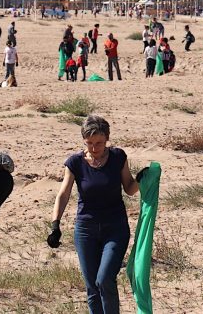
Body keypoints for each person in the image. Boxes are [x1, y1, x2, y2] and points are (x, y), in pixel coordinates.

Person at [48, 115, 145, 314]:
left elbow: (129, 188)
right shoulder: (75, 162)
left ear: (107, 139)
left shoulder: (118, 157)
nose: (94, 147)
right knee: (92, 286)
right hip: (86, 230)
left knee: (104, 279)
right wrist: (55, 225)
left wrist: (141, 180)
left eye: (99, 142)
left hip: (115, 228)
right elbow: (64, 193)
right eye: (89, 143)